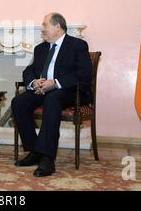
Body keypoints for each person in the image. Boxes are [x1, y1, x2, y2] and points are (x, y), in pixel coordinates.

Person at [11, 13, 92, 177]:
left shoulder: (77, 45)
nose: (42, 29)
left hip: (70, 92)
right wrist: (34, 82)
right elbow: (29, 70)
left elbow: (84, 74)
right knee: (19, 102)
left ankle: (47, 158)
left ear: (57, 27)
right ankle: (35, 151)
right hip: (43, 90)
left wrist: (55, 83)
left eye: (45, 25)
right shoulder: (40, 48)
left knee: (52, 98)